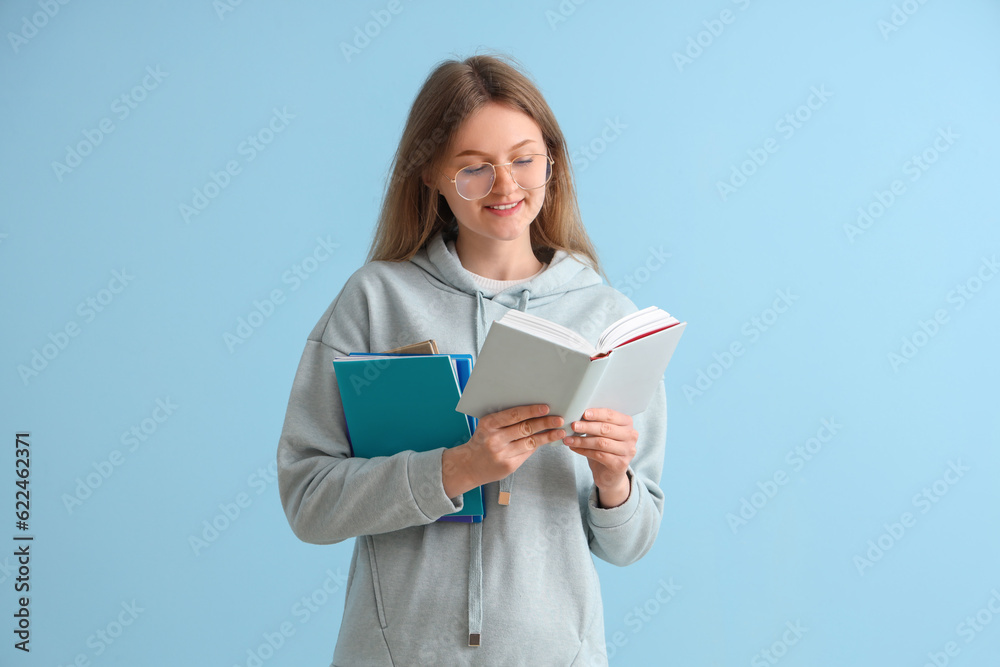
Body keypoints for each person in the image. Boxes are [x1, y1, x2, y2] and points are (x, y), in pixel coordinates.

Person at [276, 53, 667, 666]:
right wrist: (454, 469)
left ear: (553, 163)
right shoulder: (376, 301)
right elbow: (309, 500)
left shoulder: (608, 320)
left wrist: (615, 481)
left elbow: (631, 545)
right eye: (474, 168)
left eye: (523, 159)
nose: (506, 185)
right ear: (431, 173)